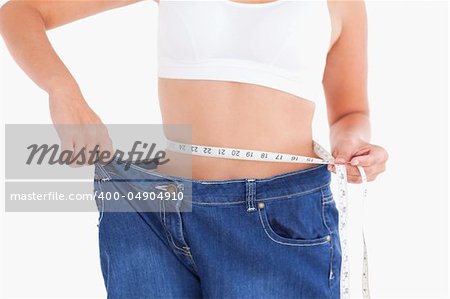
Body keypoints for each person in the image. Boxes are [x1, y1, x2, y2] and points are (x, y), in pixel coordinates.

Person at [0, 0, 389, 298]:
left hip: (280, 215)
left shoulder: (338, 3)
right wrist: (63, 91)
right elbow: (20, 11)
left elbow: (350, 112)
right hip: (152, 209)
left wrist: (351, 144)